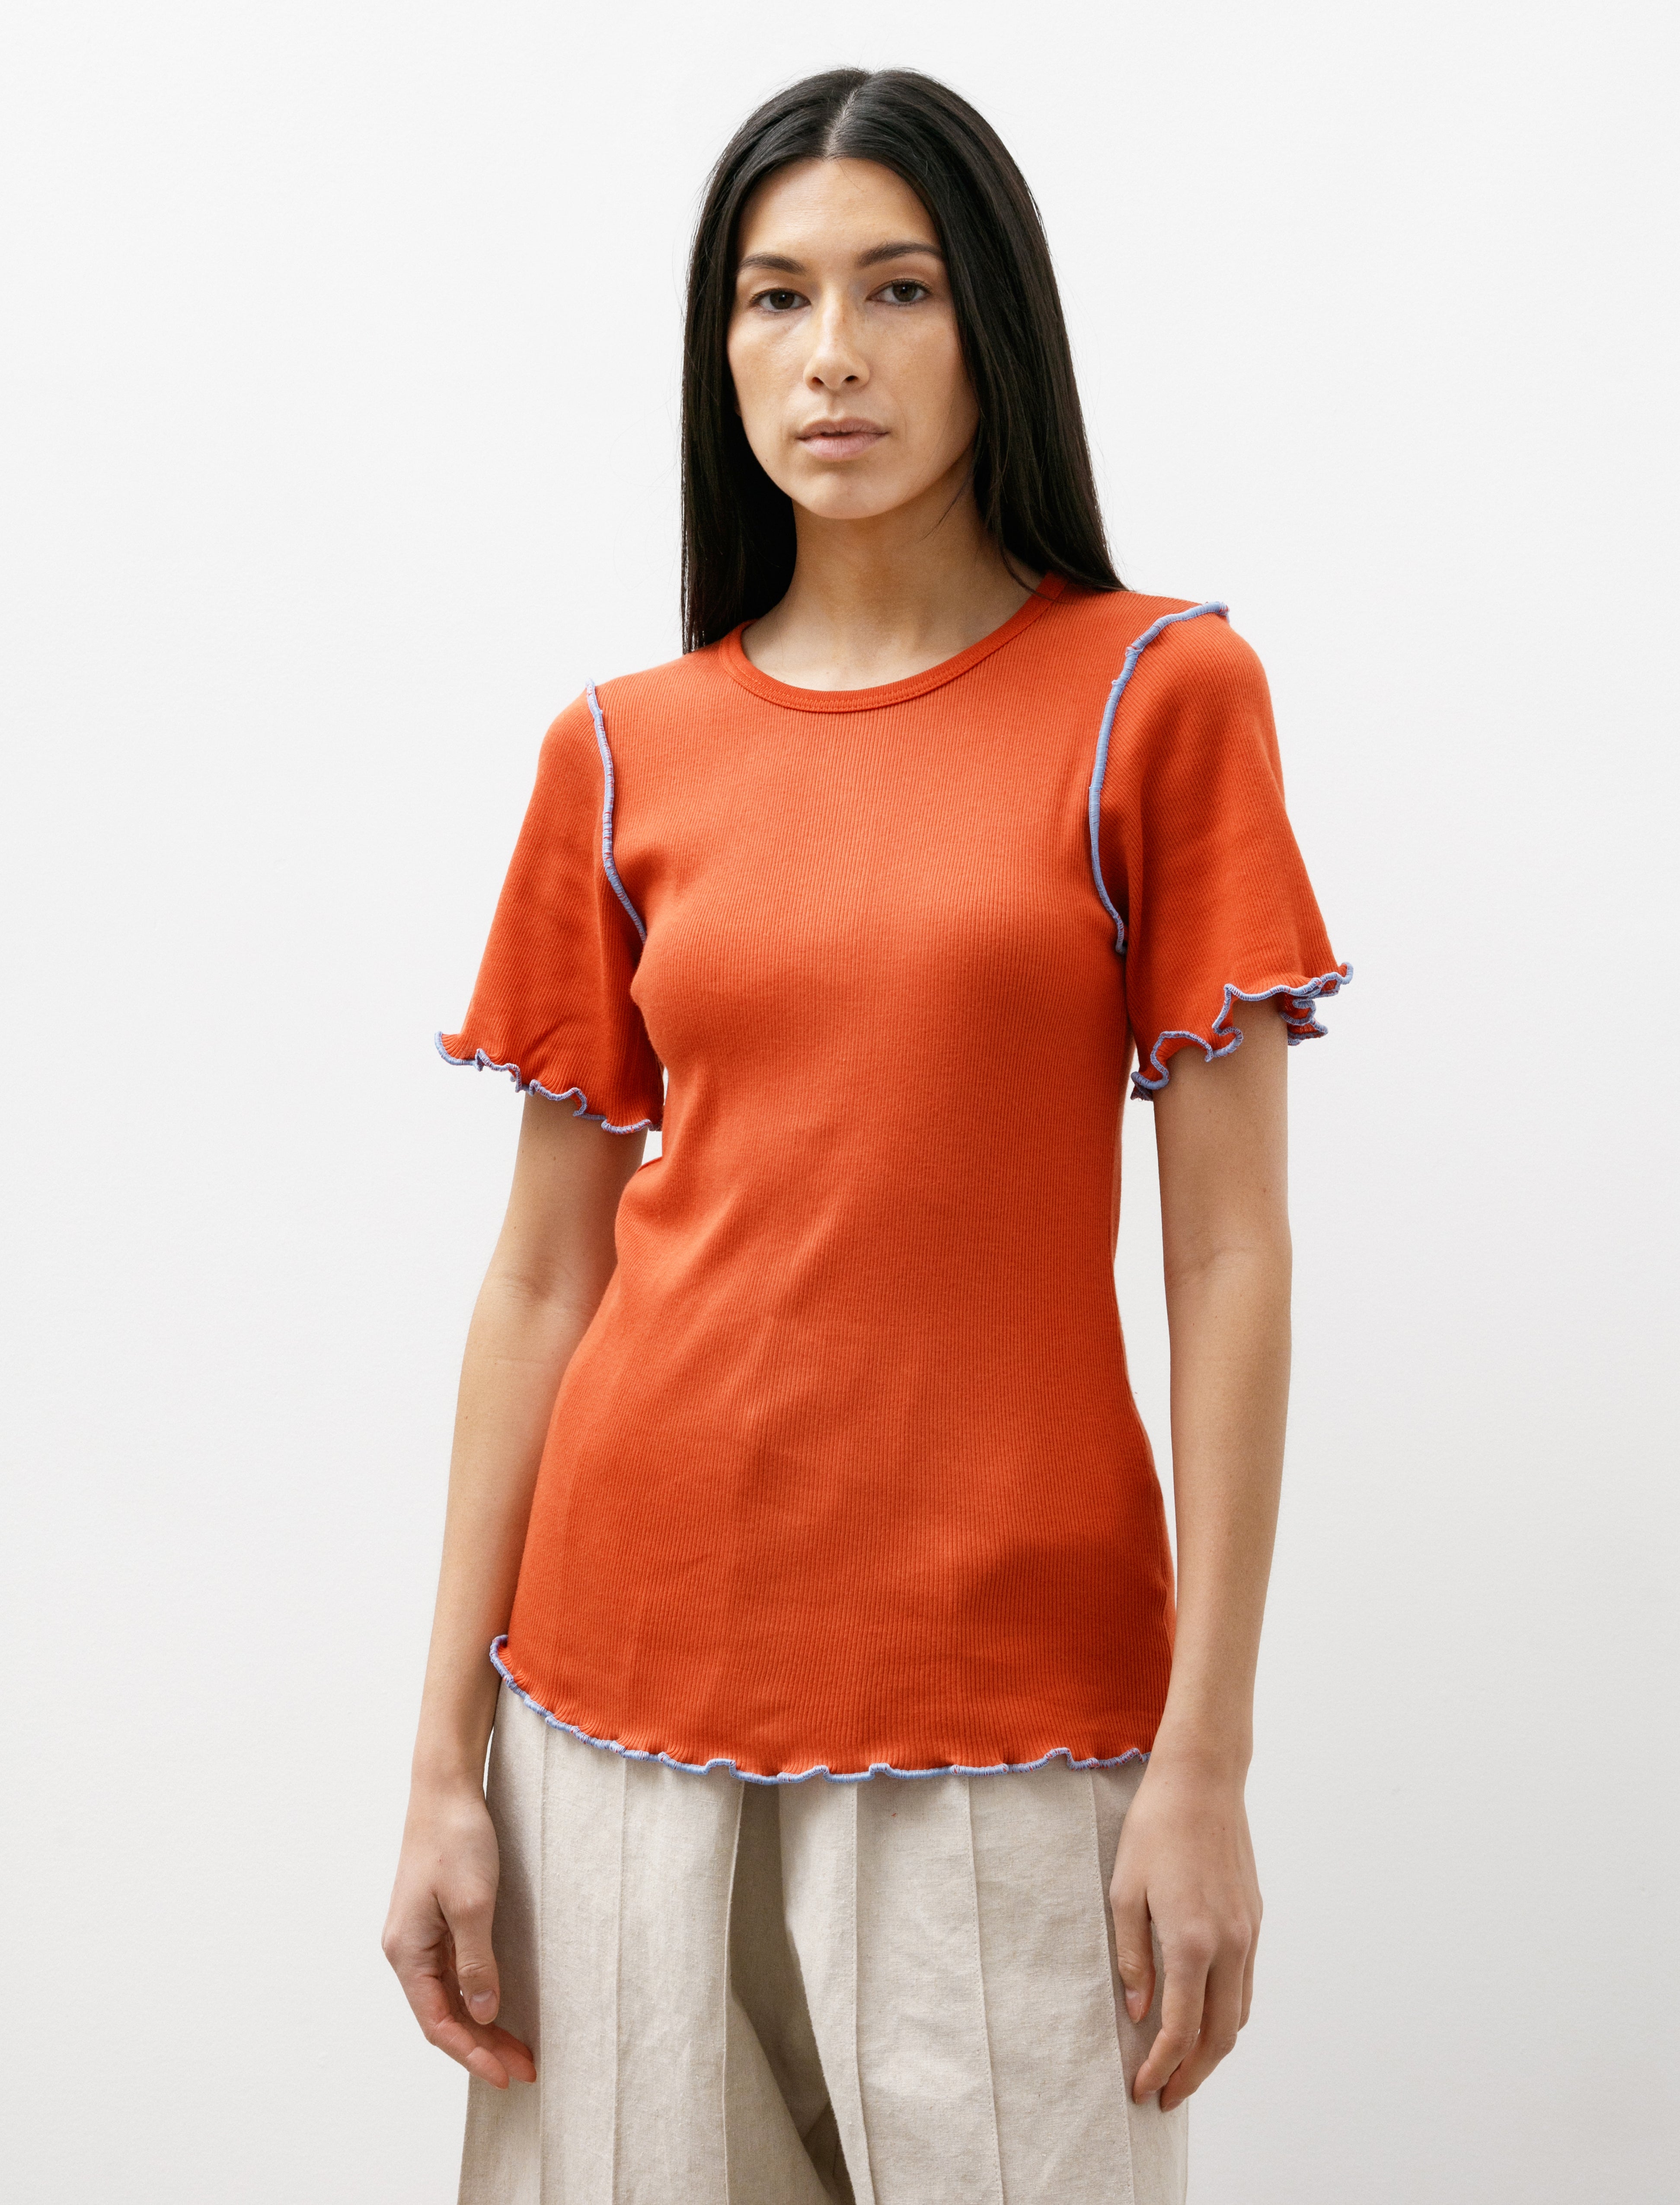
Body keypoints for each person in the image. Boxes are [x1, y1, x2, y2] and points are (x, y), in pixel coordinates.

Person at [382, 65, 1348, 2205]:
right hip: (610, 1696)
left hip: (1009, 1702)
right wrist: (441, 1761)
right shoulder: (619, 753)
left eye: (897, 289)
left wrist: (1207, 1756)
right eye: (777, 296)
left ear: (994, 324)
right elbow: (542, 1276)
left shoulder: (1159, 696)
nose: (832, 353)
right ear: (720, 349)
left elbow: (1230, 1256)